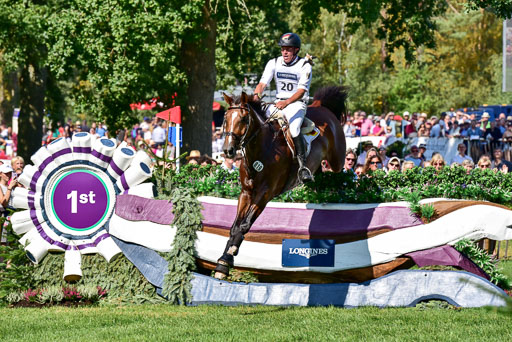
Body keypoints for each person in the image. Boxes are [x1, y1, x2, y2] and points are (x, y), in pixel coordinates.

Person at [253, 32, 313, 182]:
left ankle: (303, 166)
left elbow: (301, 91)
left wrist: (286, 103)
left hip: (296, 104)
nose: (284, 52)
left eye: (288, 48)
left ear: (296, 50)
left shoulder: (304, 65)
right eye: (282, 48)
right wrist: (256, 96)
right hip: (278, 103)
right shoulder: (273, 62)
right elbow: (262, 83)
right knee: (258, 122)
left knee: (294, 129)